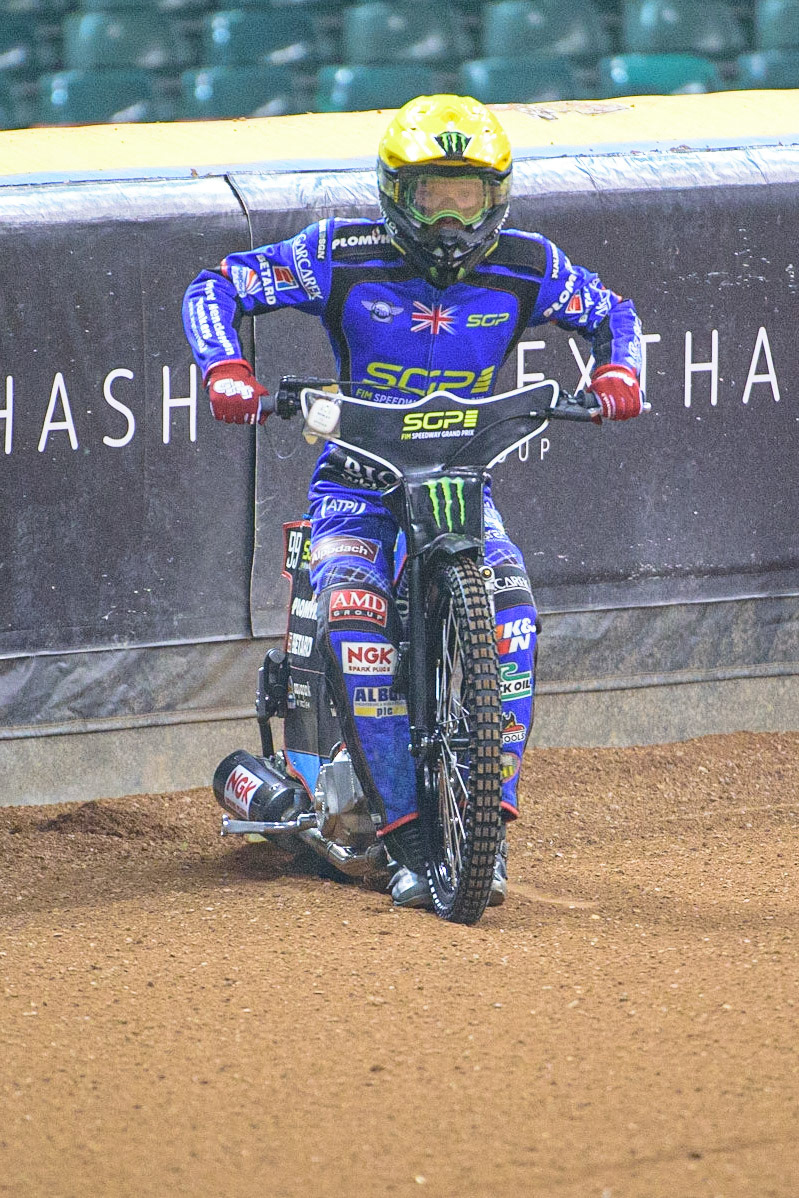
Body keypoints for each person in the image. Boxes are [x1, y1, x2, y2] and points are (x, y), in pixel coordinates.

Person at [182, 94, 644, 910]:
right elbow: (215, 287)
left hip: (462, 489)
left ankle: (484, 827)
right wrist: (225, 369)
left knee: (514, 623)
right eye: (433, 194)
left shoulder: (530, 265)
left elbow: (612, 314)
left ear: (496, 195)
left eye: (468, 195)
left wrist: (617, 374)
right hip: (352, 490)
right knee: (356, 628)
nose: (450, 218)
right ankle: (403, 837)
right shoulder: (340, 254)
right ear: (396, 191)